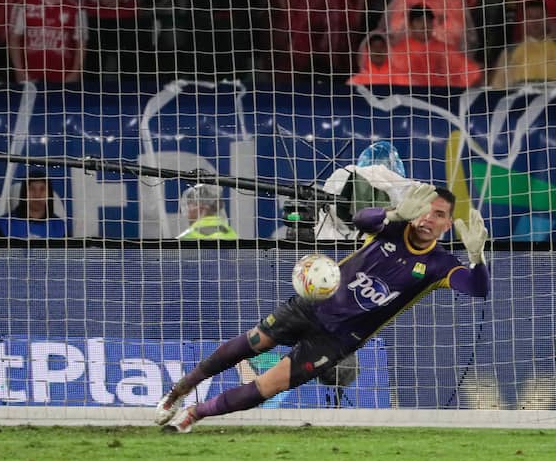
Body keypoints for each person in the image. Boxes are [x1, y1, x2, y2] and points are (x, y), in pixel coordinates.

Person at [156, 184, 490, 432]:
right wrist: (395, 213)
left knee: (269, 386)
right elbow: (360, 219)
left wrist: (477, 258)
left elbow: (477, 288)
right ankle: (179, 390)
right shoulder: (393, 227)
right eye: (425, 209)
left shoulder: (439, 265)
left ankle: (194, 415)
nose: (429, 218)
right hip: (312, 306)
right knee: (252, 342)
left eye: (439, 215)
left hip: (338, 339)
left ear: (448, 224)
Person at [0, 170, 67, 238]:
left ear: (49, 194)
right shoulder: (3, 225)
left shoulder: (60, 228)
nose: (37, 195)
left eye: (42, 189)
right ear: (24, 193)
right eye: (32, 189)